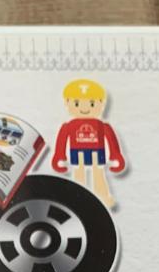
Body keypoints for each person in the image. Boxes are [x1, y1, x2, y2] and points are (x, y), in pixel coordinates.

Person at [51, 78, 126, 208]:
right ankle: (77, 199)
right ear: (67, 103)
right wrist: (59, 155)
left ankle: (103, 197)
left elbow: (111, 140)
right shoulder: (69, 126)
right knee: (79, 173)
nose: (84, 108)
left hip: (97, 152)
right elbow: (62, 141)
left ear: (101, 103)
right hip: (77, 152)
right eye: (77, 103)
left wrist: (115, 155)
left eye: (92, 104)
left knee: (98, 173)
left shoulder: (102, 126)